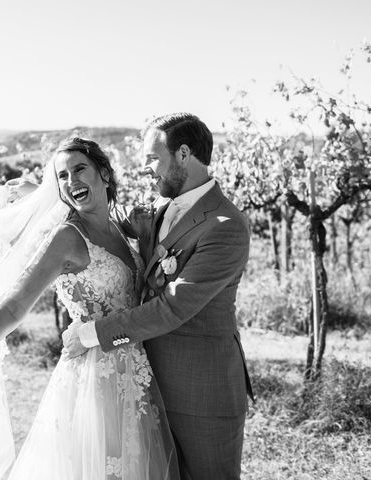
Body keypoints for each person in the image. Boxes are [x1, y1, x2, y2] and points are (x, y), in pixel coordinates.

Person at [0, 137, 178, 480]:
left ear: (104, 173)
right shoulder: (66, 238)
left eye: (79, 169)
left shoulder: (122, 230)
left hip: (137, 374)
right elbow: (14, 306)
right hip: (92, 381)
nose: (71, 181)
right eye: (61, 176)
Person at [63, 113, 254, 480]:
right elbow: (103, 226)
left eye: (152, 158)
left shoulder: (225, 228)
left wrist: (91, 334)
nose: (145, 168)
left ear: (183, 154)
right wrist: (51, 202)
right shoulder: (160, 207)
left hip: (202, 392)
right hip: (148, 385)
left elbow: (172, 308)